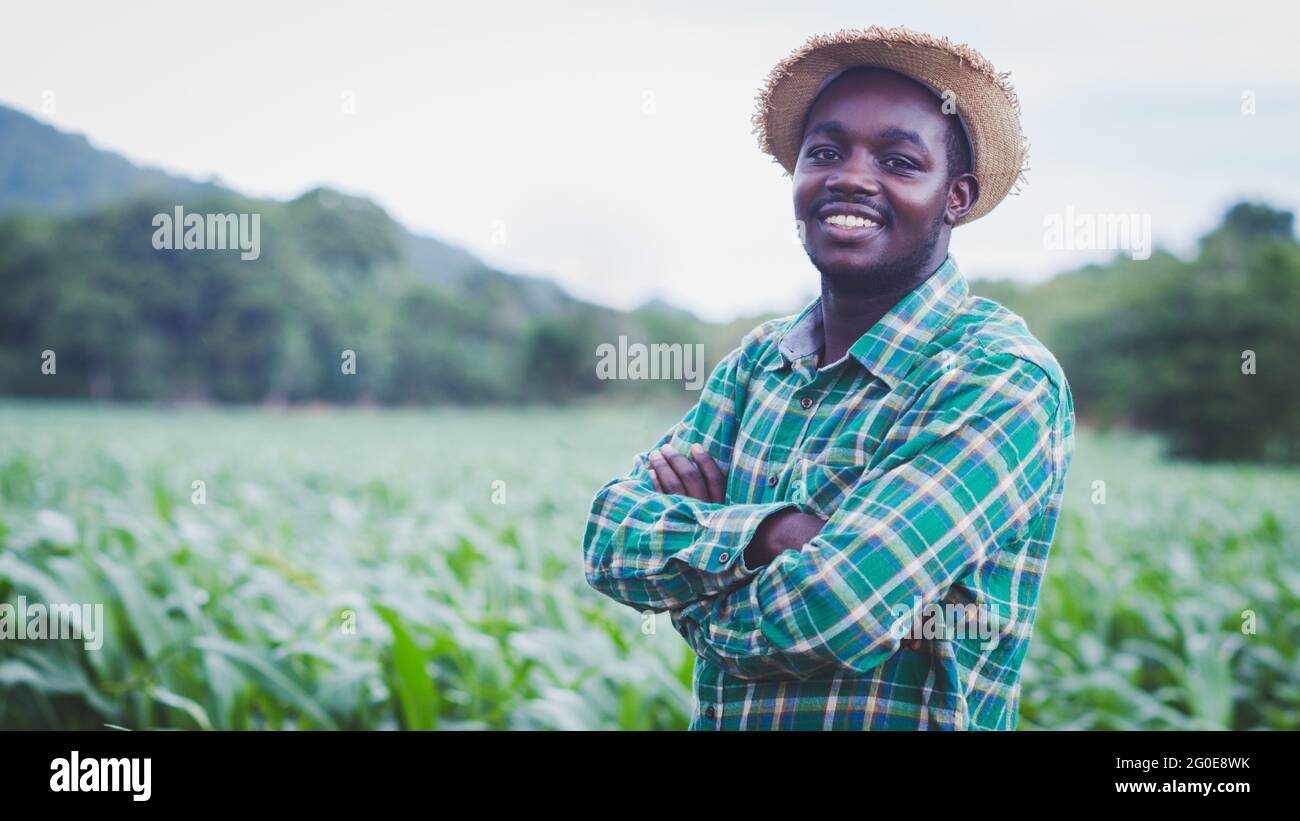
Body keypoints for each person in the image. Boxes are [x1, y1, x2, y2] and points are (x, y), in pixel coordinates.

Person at [583, 26, 1075, 730]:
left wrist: (691, 600)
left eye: (900, 160)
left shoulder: (997, 375)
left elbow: (834, 608)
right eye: (825, 152)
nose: (850, 176)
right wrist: (772, 535)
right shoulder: (759, 363)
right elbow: (608, 537)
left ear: (955, 197)